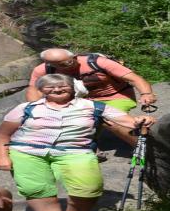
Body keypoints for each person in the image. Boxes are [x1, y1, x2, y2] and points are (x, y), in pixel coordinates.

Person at [0, 74, 156, 211]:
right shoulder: (26, 108)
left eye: (63, 86)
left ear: (73, 88)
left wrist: (142, 120)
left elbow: (128, 121)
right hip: (27, 152)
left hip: (76, 151)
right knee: (36, 189)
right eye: (50, 87)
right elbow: (2, 134)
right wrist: (2, 156)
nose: (57, 90)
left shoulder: (93, 106)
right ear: (42, 90)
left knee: (88, 188)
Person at [26, 48, 157, 147]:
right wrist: (37, 108)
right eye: (60, 65)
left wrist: (146, 94)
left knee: (107, 118)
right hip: (80, 101)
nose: (67, 66)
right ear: (48, 63)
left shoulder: (97, 62)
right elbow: (34, 89)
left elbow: (134, 78)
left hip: (115, 97)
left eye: (69, 62)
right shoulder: (42, 70)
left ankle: (144, 148)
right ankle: (86, 150)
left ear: (75, 56)